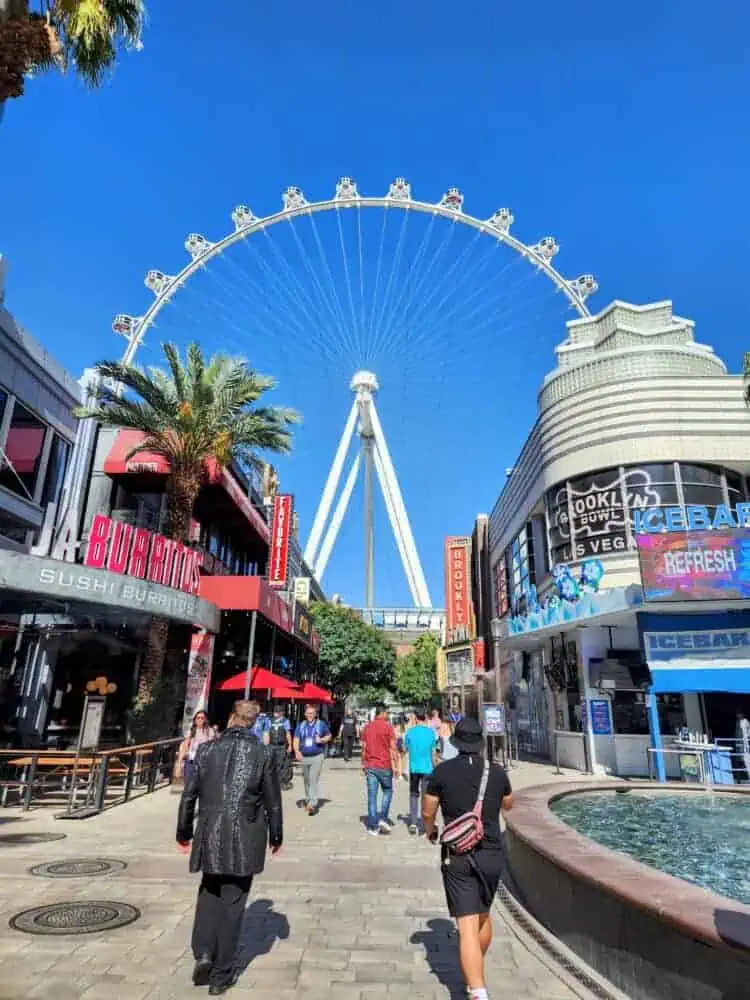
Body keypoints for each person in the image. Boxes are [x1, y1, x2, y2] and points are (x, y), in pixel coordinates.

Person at [176, 699, 283, 996]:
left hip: (210, 829)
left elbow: (188, 795)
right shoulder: (262, 753)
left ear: (232, 717)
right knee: (234, 901)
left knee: (209, 891)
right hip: (246, 834)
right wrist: (277, 835)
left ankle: (204, 953)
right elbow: (273, 800)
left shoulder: (208, 749)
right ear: (254, 721)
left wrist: (183, 830)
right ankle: (222, 973)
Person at [422, 717, 513, 1000]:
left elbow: (428, 810)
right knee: (483, 916)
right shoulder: (497, 772)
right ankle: (475, 965)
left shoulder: (442, 772)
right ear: (480, 742)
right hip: (492, 853)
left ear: (456, 742)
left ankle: (478, 991)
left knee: (467, 925)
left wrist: (431, 830)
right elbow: (509, 803)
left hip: (458, 855)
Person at [360, 703, 397, 836]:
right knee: (387, 791)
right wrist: (397, 766)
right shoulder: (388, 728)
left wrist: (363, 764)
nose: (388, 715)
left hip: (371, 766)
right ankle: (382, 818)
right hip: (384, 765)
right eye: (387, 712)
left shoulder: (367, 727)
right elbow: (393, 748)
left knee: (372, 796)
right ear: (381, 713)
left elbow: (363, 748)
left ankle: (372, 826)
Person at [293, 704, 332, 815]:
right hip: (304, 757)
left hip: (317, 756)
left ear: (315, 714)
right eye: (308, 713)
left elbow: (329, 736)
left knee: (313, 778)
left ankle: (312, 804)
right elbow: (296, 739)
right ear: (305, 714)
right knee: (306, 780)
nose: (310, 715)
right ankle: (308, 799)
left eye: (312, 713)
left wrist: (321, 740)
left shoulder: (321, 724)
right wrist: (296, 751)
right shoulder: (301, 725)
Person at [405, 711, 438, 834]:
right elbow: (434, 752)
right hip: (428, 768)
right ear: (425, 718)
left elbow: (406, 748)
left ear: (416, 719)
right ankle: (426, 821)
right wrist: (435, 766)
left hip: (414, 768)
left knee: (414, 794)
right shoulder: (431, 733)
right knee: (426, 796)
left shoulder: (410, 732)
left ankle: (413, 822)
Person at [174, 710, 217, 784]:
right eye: (198, 718)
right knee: (188, 786)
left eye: (202, 718)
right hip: (191, 762)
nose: (200, 720)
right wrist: (178, 765)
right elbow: (184, 748)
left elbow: (211, 747)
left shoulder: (210, 731)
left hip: (204, 763)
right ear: (195, 719)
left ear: (205, 720)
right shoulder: (191, 731)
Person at [265, 703, 293, 790]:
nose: (275, 713)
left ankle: (280, 782)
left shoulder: (285, 721)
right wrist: (266, 745)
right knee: (272, 763)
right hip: (272, 745)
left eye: (277, 712)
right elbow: (267, 733)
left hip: (281, 746)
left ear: (281, 713)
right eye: (275, 712)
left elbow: (288, 734)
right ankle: (273, 783)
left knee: (281, 763)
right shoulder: (270, 721)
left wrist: (290, 746)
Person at [737, 712, 750, 780]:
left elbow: (748, 732)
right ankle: (739, 777)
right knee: (740, 761)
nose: (738, 715)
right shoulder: (738, 722)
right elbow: (737, 733)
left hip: (745, 744)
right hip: (739, 744)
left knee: (747, 761)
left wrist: (747, 740)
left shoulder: (745, 721)